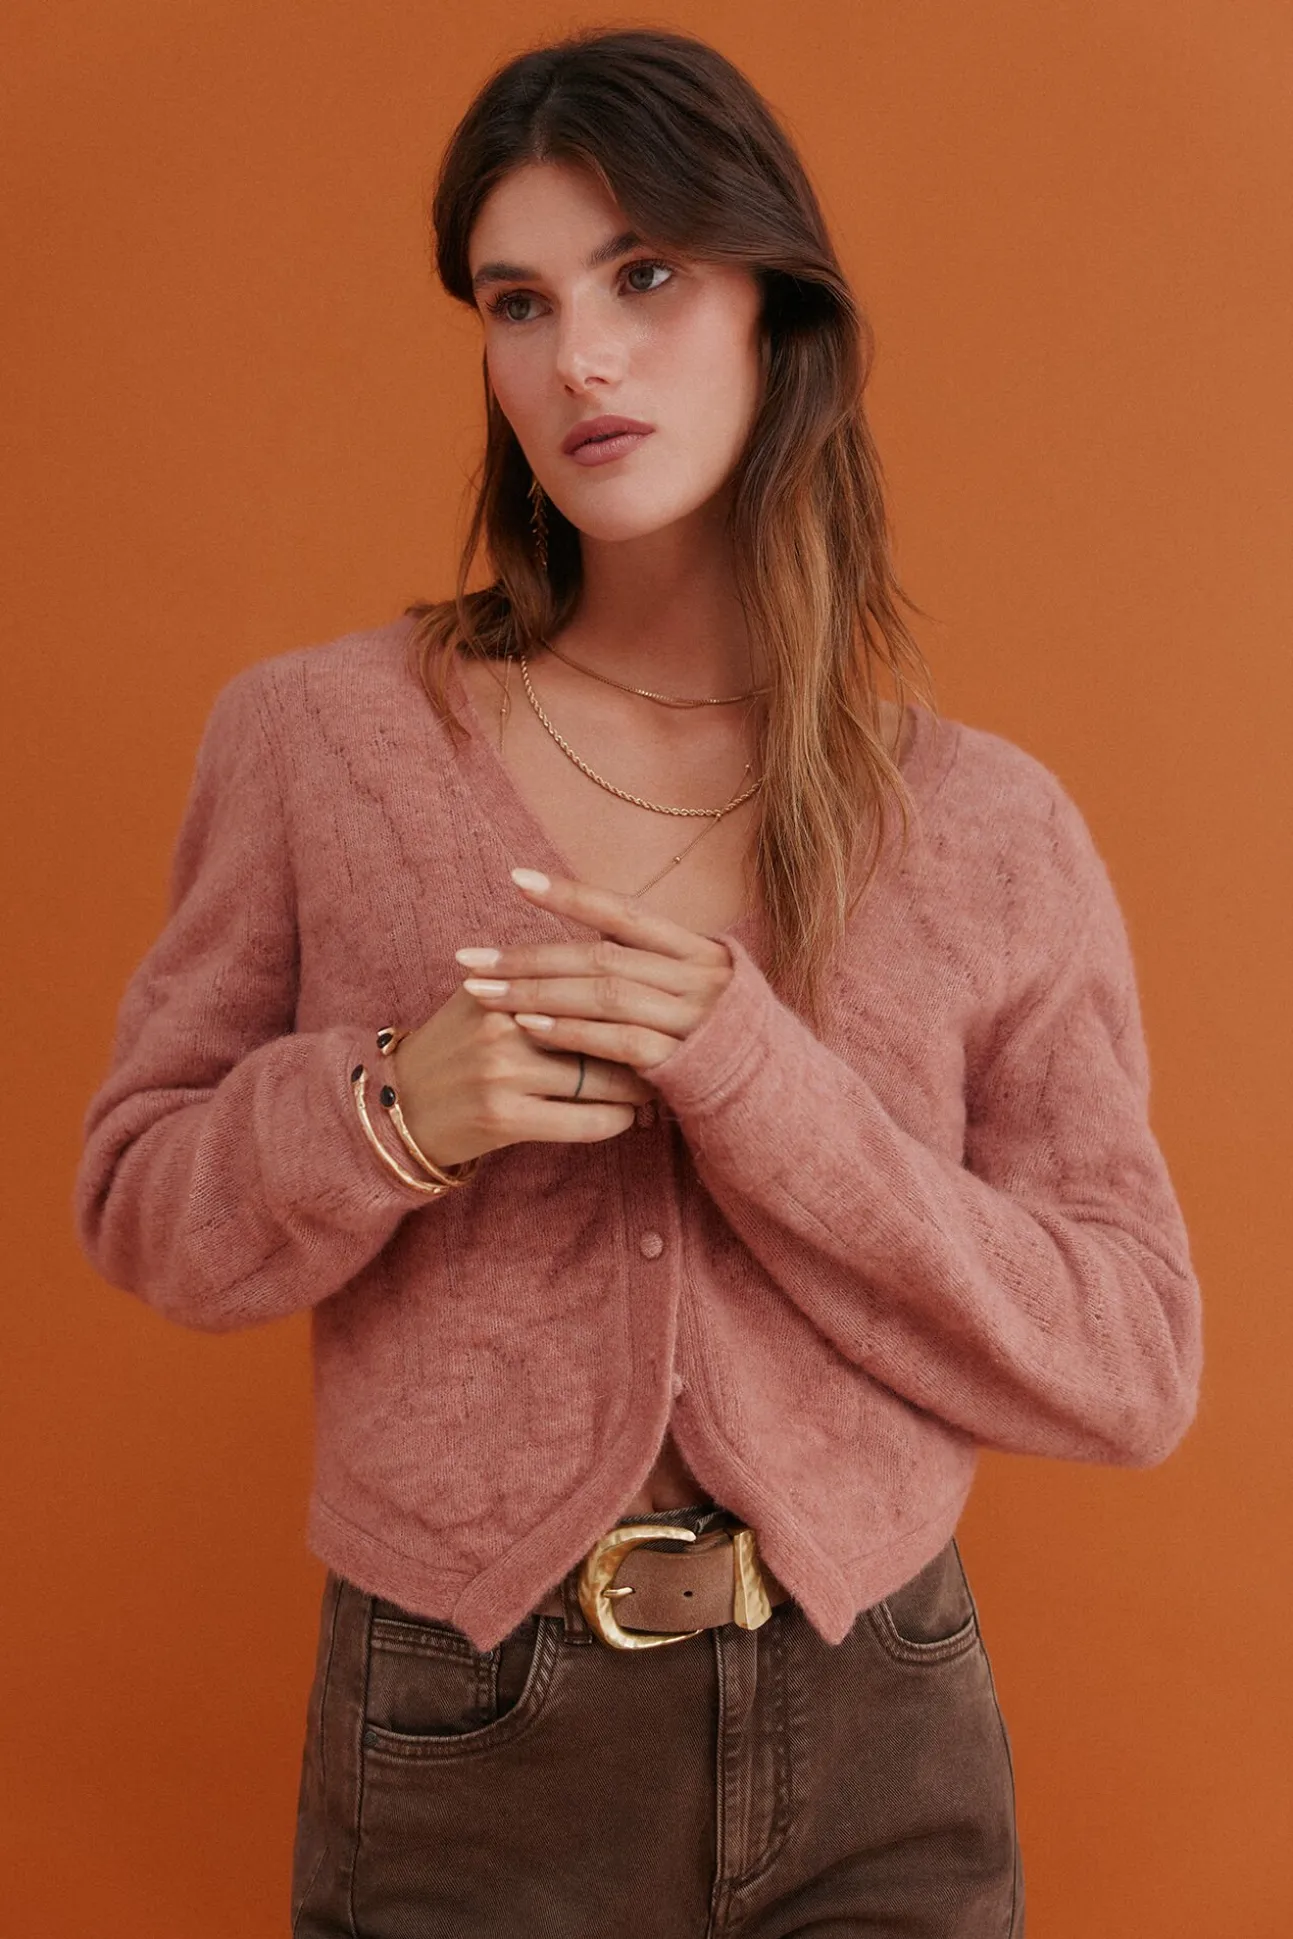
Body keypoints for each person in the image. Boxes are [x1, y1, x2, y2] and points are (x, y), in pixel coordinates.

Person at [74, 26, 1203, 1939]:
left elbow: (1132, 1360)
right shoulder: (318, 740)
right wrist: (387, 1112)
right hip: (464, 1741)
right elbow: (139, 1202)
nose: (579, 358)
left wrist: (761, 1087)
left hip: (881, 1738)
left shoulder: (984, 824)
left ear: (778, 305)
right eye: (519, 303)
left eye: (646, 274)